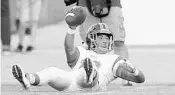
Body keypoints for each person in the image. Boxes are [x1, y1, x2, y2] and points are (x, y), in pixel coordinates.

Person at [12, 6, 145, 91]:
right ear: (91, 39)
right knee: (52, 71)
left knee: (88, 74)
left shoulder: (114, 59)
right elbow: (69, 49)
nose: (105, 40)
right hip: (71, 82)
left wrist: (136, 72)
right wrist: (71, 29)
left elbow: (140, 80)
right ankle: (27, 79)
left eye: (106, 38)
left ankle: (89, 75)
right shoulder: (83, 51)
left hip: (95, 85)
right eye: (100, 37)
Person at [64, 0, 131, 86]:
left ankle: (126, 77)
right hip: (85, 4)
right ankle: (89, 77)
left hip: (112, 3)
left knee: (118, 41)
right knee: (89, 42)